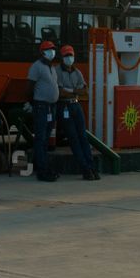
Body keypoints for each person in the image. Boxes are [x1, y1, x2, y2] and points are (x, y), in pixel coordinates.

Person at [55, 45, 100, 180]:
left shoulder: (77, 72)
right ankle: (85, 169)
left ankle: (91, 167)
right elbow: (60, 93)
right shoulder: (56, 72)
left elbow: (84, 91)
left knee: (83, 138)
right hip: (64, 107)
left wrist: (70, 91)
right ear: (62, 57)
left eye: (71, 55)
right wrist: (74, 91)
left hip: (76, 106)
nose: (69, 58)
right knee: (74, 139)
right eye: (66, 55)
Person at [26, 40, 61, 181]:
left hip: (51, 107)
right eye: (49, 49)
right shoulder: (36, 67)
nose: (52, 51)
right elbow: (29, 87)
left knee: (46, 139)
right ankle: (42, 170)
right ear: (42, 52)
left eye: (53, 49)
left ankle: (43, 166)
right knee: (41, 138)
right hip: (41, 106)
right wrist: (31, 102)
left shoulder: (52, 68)